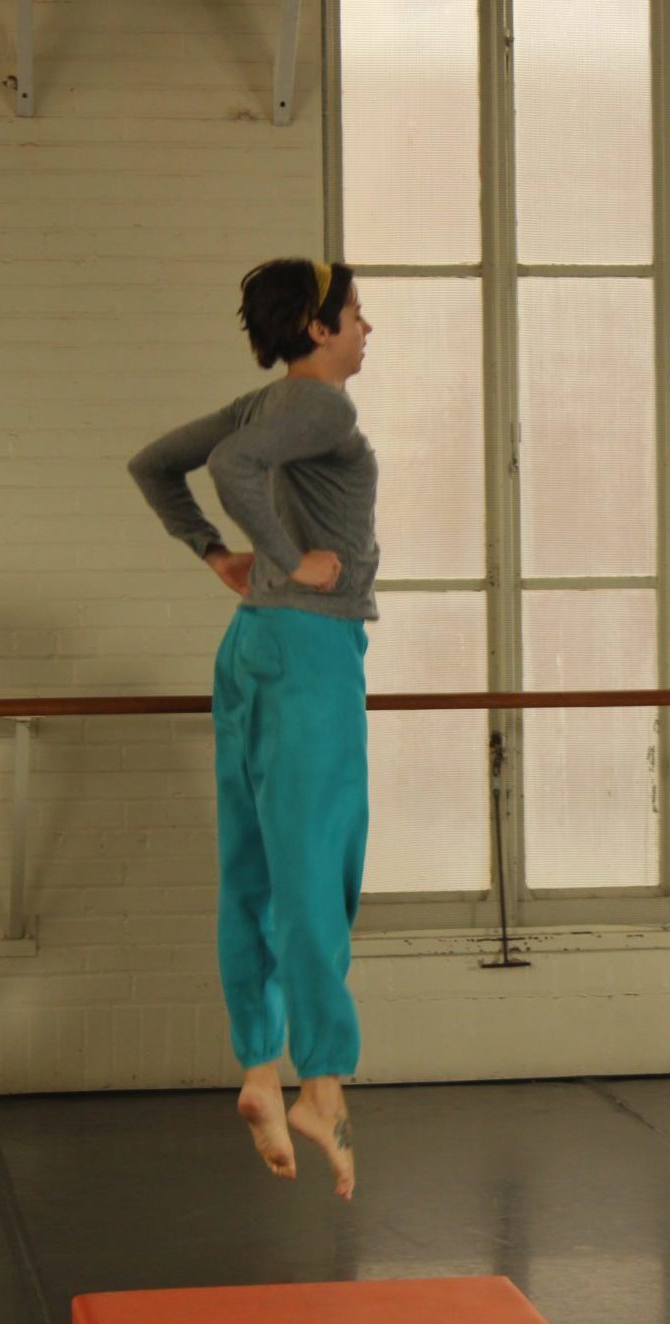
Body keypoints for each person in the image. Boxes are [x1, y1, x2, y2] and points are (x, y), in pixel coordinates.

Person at [127, 258, 378, 1198]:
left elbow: (154, 463)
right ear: (315, 328)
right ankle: (322, 1082)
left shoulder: (254, 405)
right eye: (354, 313)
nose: (365, 328)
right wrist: (285, 560)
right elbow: (229, 472)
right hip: (311, 654)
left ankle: (259, 1071)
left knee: (254, 867)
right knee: (321, 863)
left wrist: (215, 555)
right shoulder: (322, 409)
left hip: (249, 650)